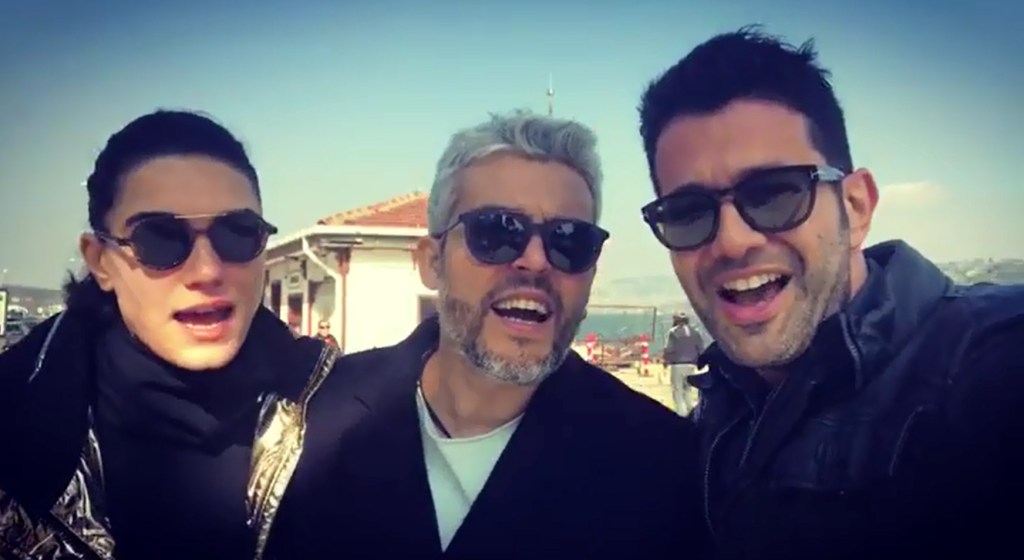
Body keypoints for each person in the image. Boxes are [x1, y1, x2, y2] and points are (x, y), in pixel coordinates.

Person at [637, 27, 1024, 559]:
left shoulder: (987, 368)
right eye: (687, 212)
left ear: (856, 207)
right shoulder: (721, 408)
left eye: (774, 194)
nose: (731, 241)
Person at [269, 111, 706, 559]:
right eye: (497, 232)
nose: (536, 261)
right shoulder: (305, 418)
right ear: (432, 261)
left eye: (569, 241)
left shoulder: (664, 463)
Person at [0, 110, 340, 560]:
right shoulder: (13, 419)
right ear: (101, 261)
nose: (207, 271)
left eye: (238, 233)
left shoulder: (344, 416)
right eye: (159, 238)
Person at [662, 312, 704, 415]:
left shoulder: (673, 332)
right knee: (688, 389)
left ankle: (682, 414)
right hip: (691, 364)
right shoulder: (695, 332)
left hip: (678, 364)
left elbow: (669, 349)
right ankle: (692, 412)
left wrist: (666, 361)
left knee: (678, 390)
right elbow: (700, 349)